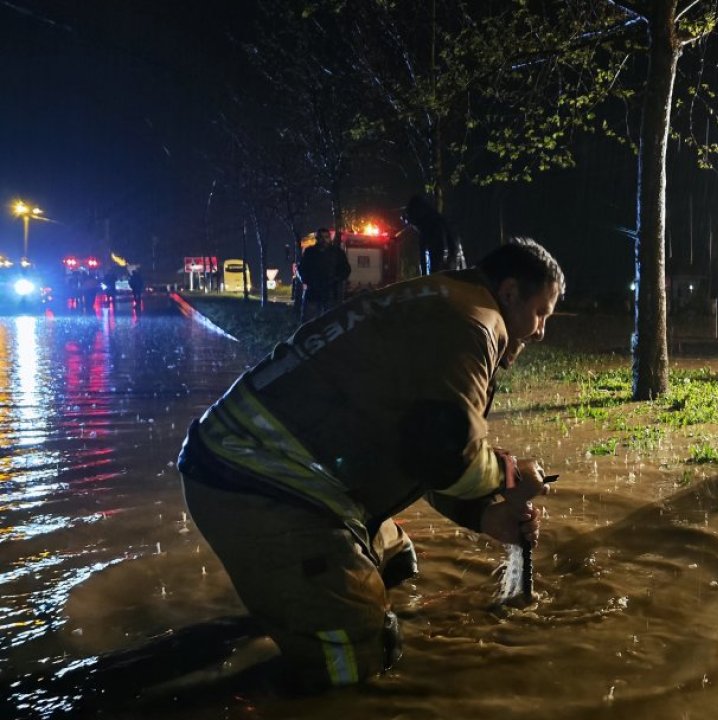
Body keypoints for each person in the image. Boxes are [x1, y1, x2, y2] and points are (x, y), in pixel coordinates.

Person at [176, 238, 564, 690]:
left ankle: (293, 606)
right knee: (359, 659)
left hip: (264, 469)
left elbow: (416, 447)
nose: (541, 331)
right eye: (541, 313)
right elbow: (447, 459)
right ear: (511, 292)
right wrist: (513, 475)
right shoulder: (472, 325)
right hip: (259, 484)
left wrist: (485, 515)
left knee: (395, 564)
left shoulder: (445, 301)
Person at [403, 193, 465, 275]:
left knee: (437, 262)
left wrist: (449, 258)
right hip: (439, 243)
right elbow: (423, 254)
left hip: (440, 243)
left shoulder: (432, 223)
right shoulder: (427, 222)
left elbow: (446, 244)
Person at [298, 228, 346, 320]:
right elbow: (302, 268)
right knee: (310, 322)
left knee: (330, 322)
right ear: (317, 238)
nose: (324, 240)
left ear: (330, 238)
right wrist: (307, 281)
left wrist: (336, 279)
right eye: (321, 237)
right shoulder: (310, 252)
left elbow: (345, 270)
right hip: (313, 293)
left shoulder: (337, 253)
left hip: (330, 293)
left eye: (326, 237)